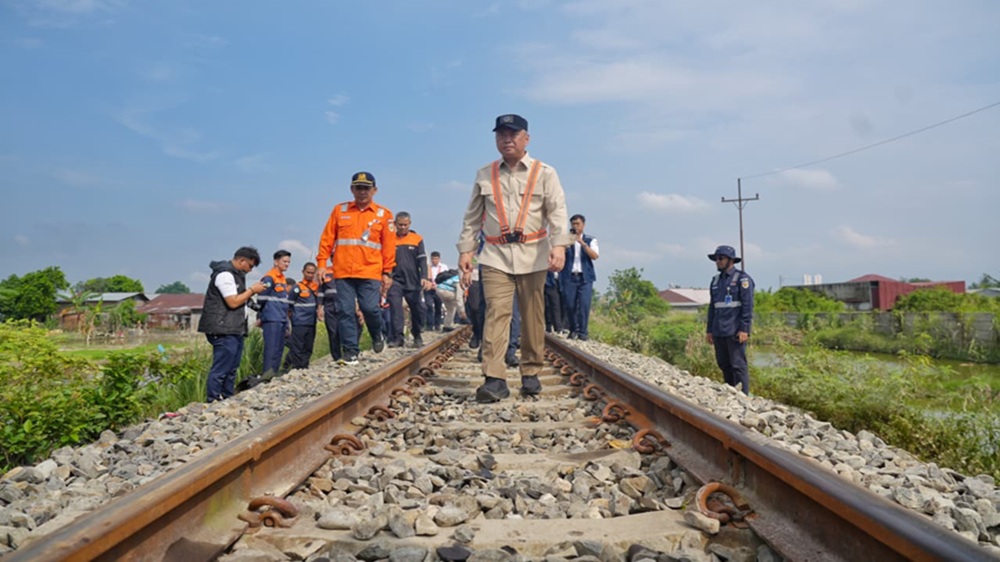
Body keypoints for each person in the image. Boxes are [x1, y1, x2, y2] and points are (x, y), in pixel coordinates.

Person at [457, 113, 571, 403]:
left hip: (534, 255)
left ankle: (530, 372)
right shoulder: (485, 173)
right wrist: (466, 250)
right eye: (501, 135)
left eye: (513, 134)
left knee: (533, 315)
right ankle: (494, 379)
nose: (506, 139)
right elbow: (472, 217)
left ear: (526, 138)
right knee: (496, 312)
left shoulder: (545, 172)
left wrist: (559, 246)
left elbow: (557, 211)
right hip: (495, 256)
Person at [315, 171, 396, 366]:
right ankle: (351, 351)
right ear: (352, 189)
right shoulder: (340, 211)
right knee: (345, 310)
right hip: (343, 272)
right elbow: (327, 239)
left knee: (370, 308)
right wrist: (321, 264)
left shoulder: (384, 215)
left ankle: (377, 334)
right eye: (358, 188)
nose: (362, 192)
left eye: (366, 188)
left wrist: (387, 272)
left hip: (370, 272)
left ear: (374, 190)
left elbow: (389, 246)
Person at [197, 246, 265, 402]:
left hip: (234, 328)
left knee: (232, 367)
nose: (250, 270)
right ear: (242, 261)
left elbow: (241, 300)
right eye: (250, 266)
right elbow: (233, 302)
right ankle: (213, 399)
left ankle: (227, 396)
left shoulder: (236, 276)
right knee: (221, 367)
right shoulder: (225, 275)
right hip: (223, 328)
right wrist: (252, 290)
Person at [706, 245, 755, 395]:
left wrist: (744, 329)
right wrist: (709, 330)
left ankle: (742, 396)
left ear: (731, 260)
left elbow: (747, 306)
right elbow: (713, 308)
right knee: (723, 363)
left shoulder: (742, 279)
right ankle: (730, 392)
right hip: (719, 330)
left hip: (734, 330)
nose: (718, 262)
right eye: (716, 259)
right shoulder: (715, 281)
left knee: (737, 365)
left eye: (721, 258)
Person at [387, 212, 429, 347]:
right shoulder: (389, 239)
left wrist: (424, 277)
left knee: (418, 309)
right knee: (395, 308)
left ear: (409, 224)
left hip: (413, 281)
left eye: (405, 225)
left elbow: (422, 260)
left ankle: (417, 334)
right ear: (395, 224)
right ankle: (398, 337)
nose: (403, 227)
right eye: (400, 225)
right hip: (395, 281)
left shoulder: (417, 239)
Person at [561, 214, 599, 340]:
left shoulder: (590, 240)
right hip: (569, 276)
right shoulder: (565, 239)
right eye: (573, 224)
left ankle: (583, 332)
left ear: (583, 225)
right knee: (569, 305)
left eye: (578, 224)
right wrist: (567, 245)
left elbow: (595, 256)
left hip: (585, 277)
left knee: (584, 305)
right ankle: (572, 329)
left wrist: (582, 243)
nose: (575, 227)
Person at [258, 249, 292, 376]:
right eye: (284, 261)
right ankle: (267, 374)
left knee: (278, 348)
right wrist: (260, 315)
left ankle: (274, 374)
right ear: (276, 261)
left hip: (281, 318)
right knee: (271, 348)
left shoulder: (282, 279)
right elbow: (261, 298)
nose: (287, 264)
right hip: (272, 318)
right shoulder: (269, 278)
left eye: (288, 262)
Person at [283, 262, 319, 371]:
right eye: (308, 272)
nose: (310, 275)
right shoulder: (297, 288)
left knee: (308, 346)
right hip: (299, 322)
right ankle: (297, 368)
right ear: (303, 272)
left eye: (313, 273)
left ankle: (305, 366)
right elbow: (289, 305)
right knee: (298, 346)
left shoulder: (316, 287)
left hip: (312, 322)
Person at [317, 269, 343, 363]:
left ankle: (348, 353)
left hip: (343, 305)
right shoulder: (325, 272)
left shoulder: (345, 270)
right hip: (329, 306)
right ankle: (337, 356)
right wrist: (319, 308)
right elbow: (320, 292)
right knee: (332, 332)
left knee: (345, 330)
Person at [435, 267, 466, 331]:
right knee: (457, 299)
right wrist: (462, 311)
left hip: (439, 290)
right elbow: (459, 298)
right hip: (445, 292)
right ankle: (462, 316)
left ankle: (447, 325)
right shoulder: (459, 281)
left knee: (451, 308)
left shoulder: (455, 277)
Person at [425, 251, 449, 331]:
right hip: (429, 289)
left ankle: (437, 324)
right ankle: (429, 325)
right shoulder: (428, 267)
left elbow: (447, 278)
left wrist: (439, 286)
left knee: (438, 307)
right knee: (429, 305)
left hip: (439, 289)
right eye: (433, 259)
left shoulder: (443, 267)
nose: (434, 260)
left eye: (436, 258)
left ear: (439, 259)